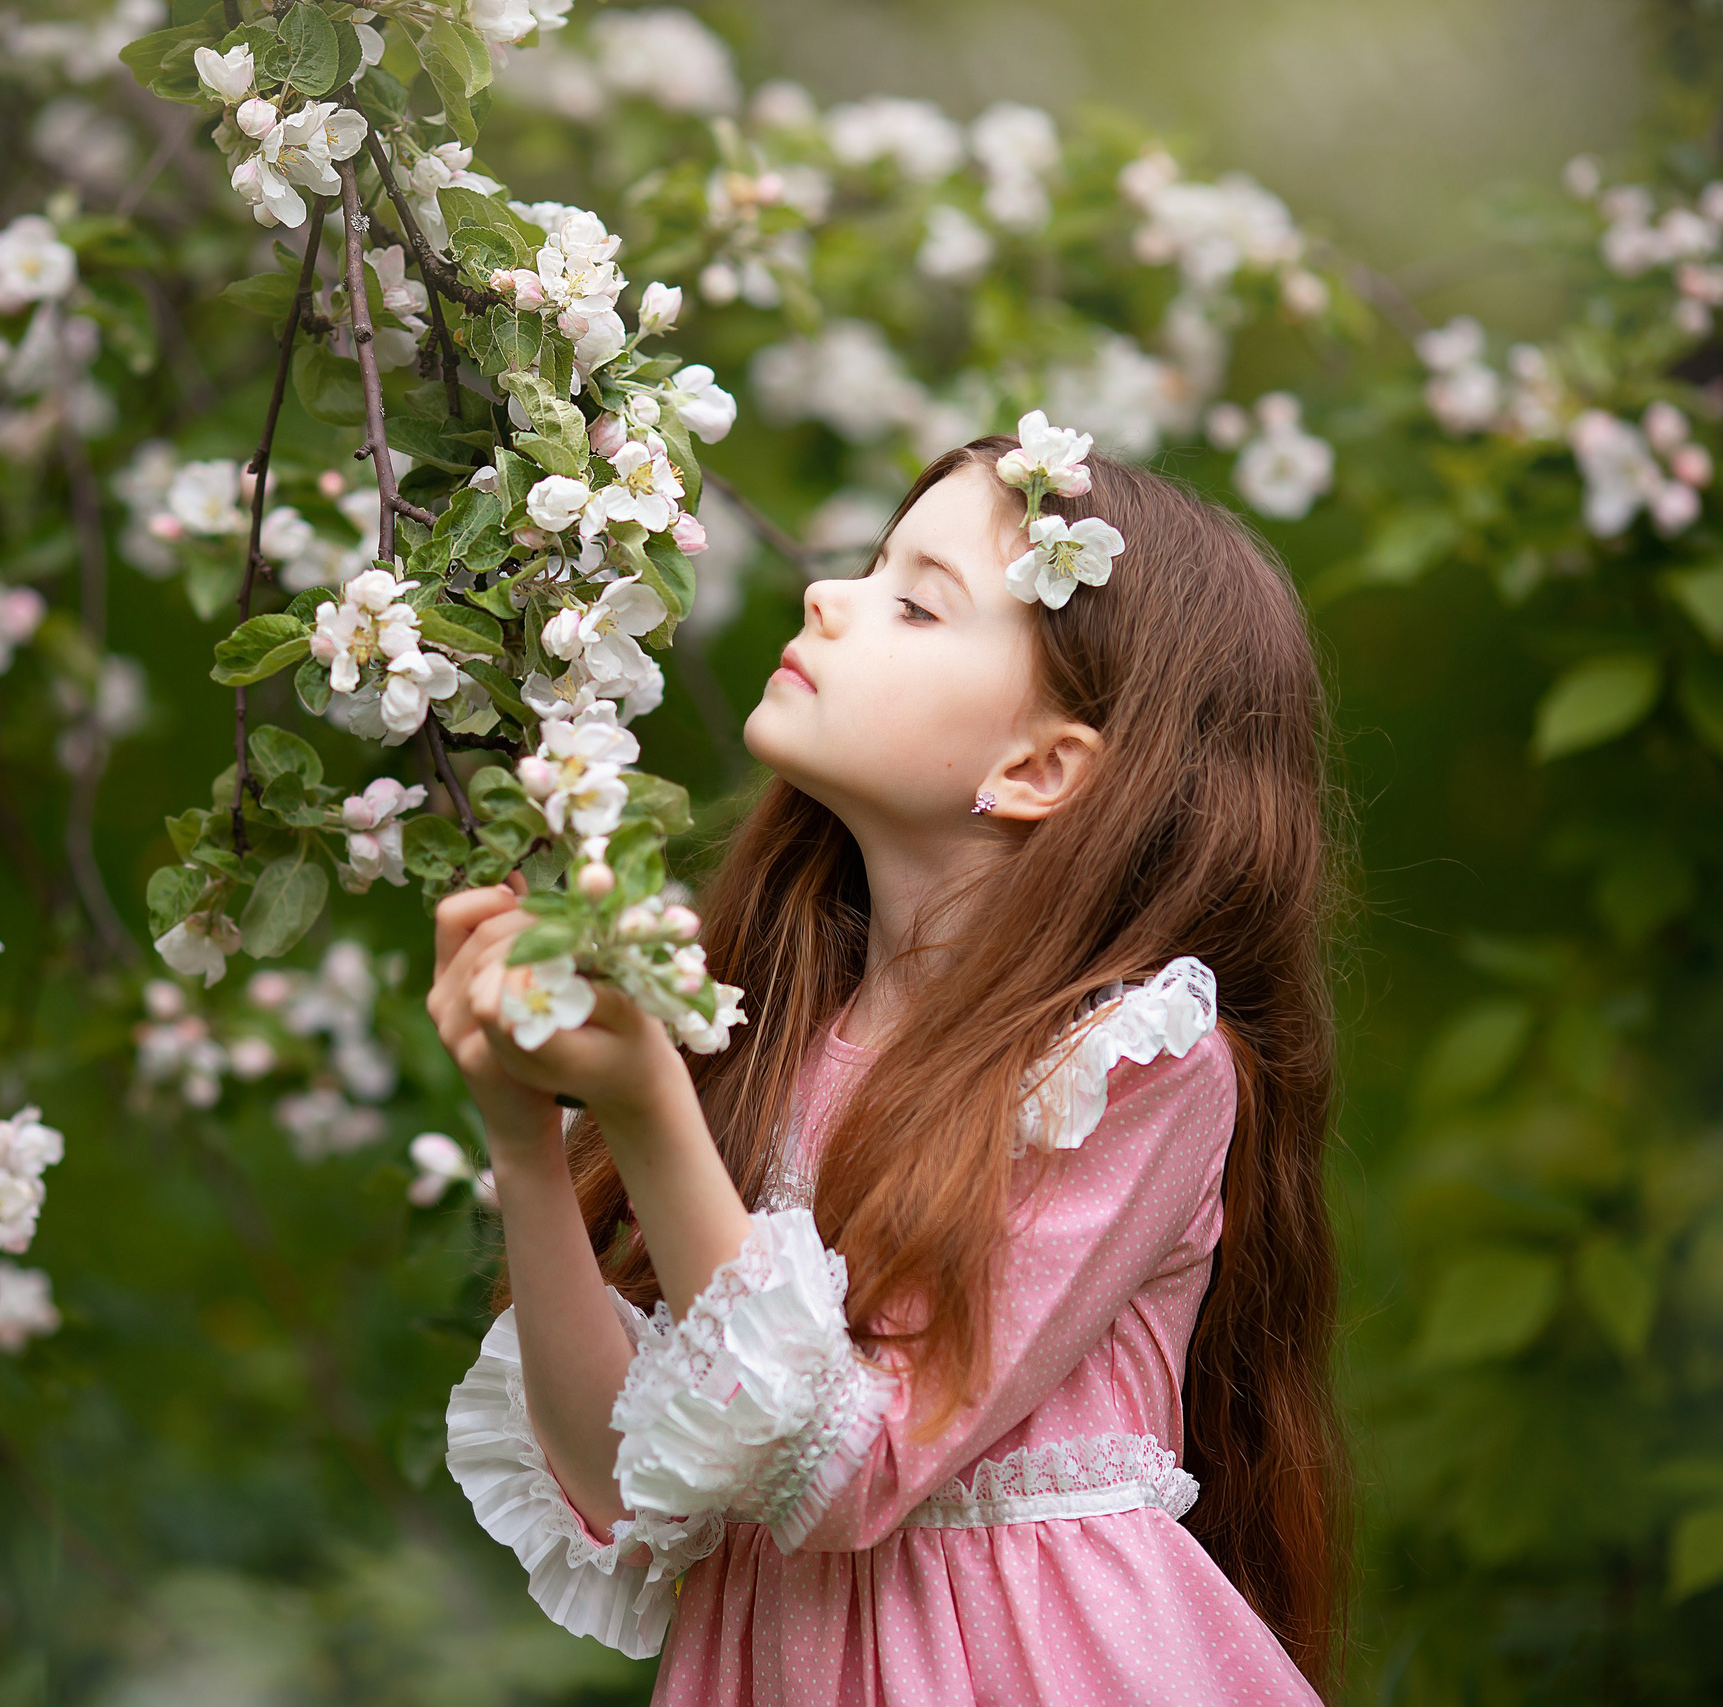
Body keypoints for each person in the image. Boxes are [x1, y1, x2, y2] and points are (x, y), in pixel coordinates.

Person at [428, 419, 1343, 1704]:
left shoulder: (1128, 1069)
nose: (827, 595)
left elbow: (847, 1464)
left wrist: (647, 1114)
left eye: (917, 605)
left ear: (1037, 768)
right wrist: (528, 1138)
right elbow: (618, 1486)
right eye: (872, 567)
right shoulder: (763, 1025)